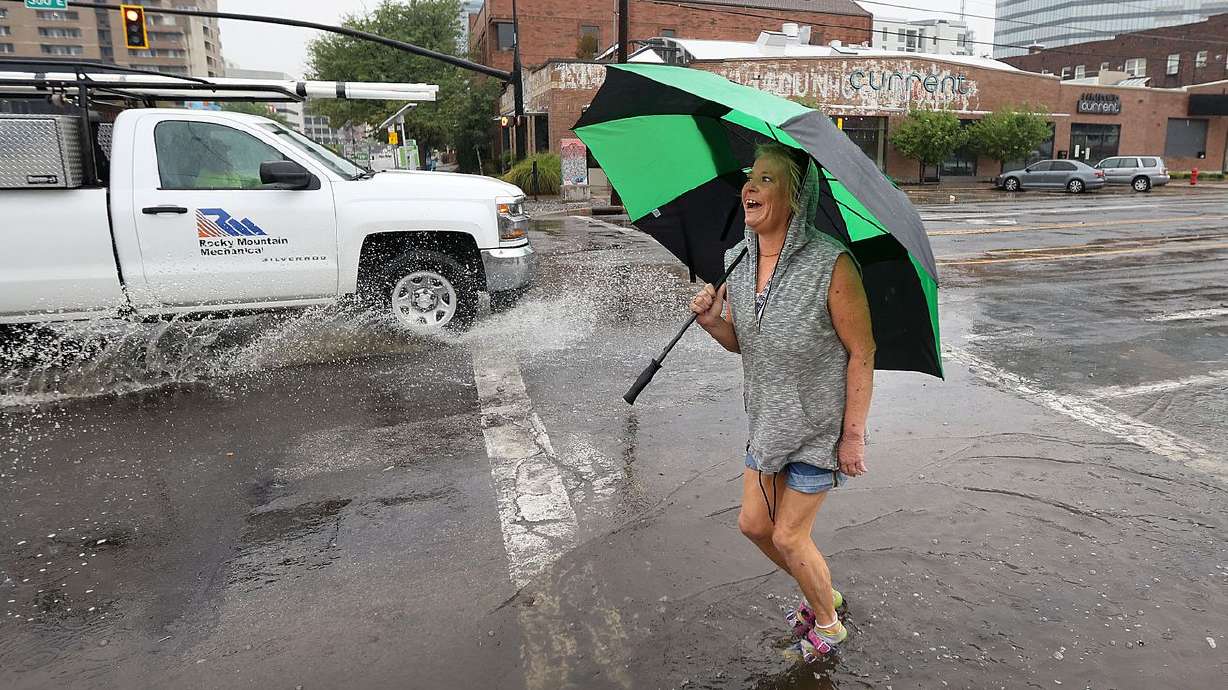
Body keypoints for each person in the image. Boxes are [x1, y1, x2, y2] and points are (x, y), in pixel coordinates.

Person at [689, 142, 875, 662]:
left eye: (766, 179)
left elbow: (862, 352)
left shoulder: (831, 265)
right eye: (749, 177)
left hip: (818, 428)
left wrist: (853, 436)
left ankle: (830, 624)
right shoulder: (737, 260)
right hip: (766, 422)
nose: (749, 187)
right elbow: (744, 341)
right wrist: (712, 323)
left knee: (791, 537)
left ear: (795, 195)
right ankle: (824, 593)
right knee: (753, 525)